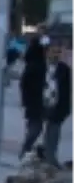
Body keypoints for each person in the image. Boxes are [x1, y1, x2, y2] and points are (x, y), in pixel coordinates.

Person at [39, 38, 71, 167]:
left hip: (57, 106)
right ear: (47, 52)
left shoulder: (64, 69)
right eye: (53, 52)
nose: (55, 55)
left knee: (54, 131)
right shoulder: (40, 67)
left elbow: (67, 90)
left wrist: (66, 108)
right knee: (36, 130)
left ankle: (50, 156)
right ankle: (35, 153)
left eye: (58, 52)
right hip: (41, 103)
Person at [18, 35, 47, 160]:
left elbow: (23, 83)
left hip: (32, 100)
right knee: (36, 126)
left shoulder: (32, 62)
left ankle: (27, 148)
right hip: (36, 100)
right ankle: (26, 148)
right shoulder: (38, 65)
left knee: (33, 125)